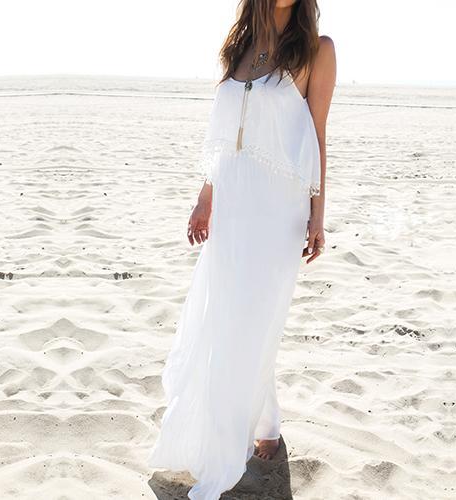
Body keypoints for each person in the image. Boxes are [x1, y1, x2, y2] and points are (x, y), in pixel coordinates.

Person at [147, 0, 336, 498]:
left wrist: (318, 214)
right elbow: (226, 136)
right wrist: (205, 197)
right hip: (232, 201)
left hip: (278, 207)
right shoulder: (238, 46)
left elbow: (317, 134)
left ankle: (230, 445)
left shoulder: (317, 49)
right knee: (229, 315)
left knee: (255, 318)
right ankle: (267, 422)